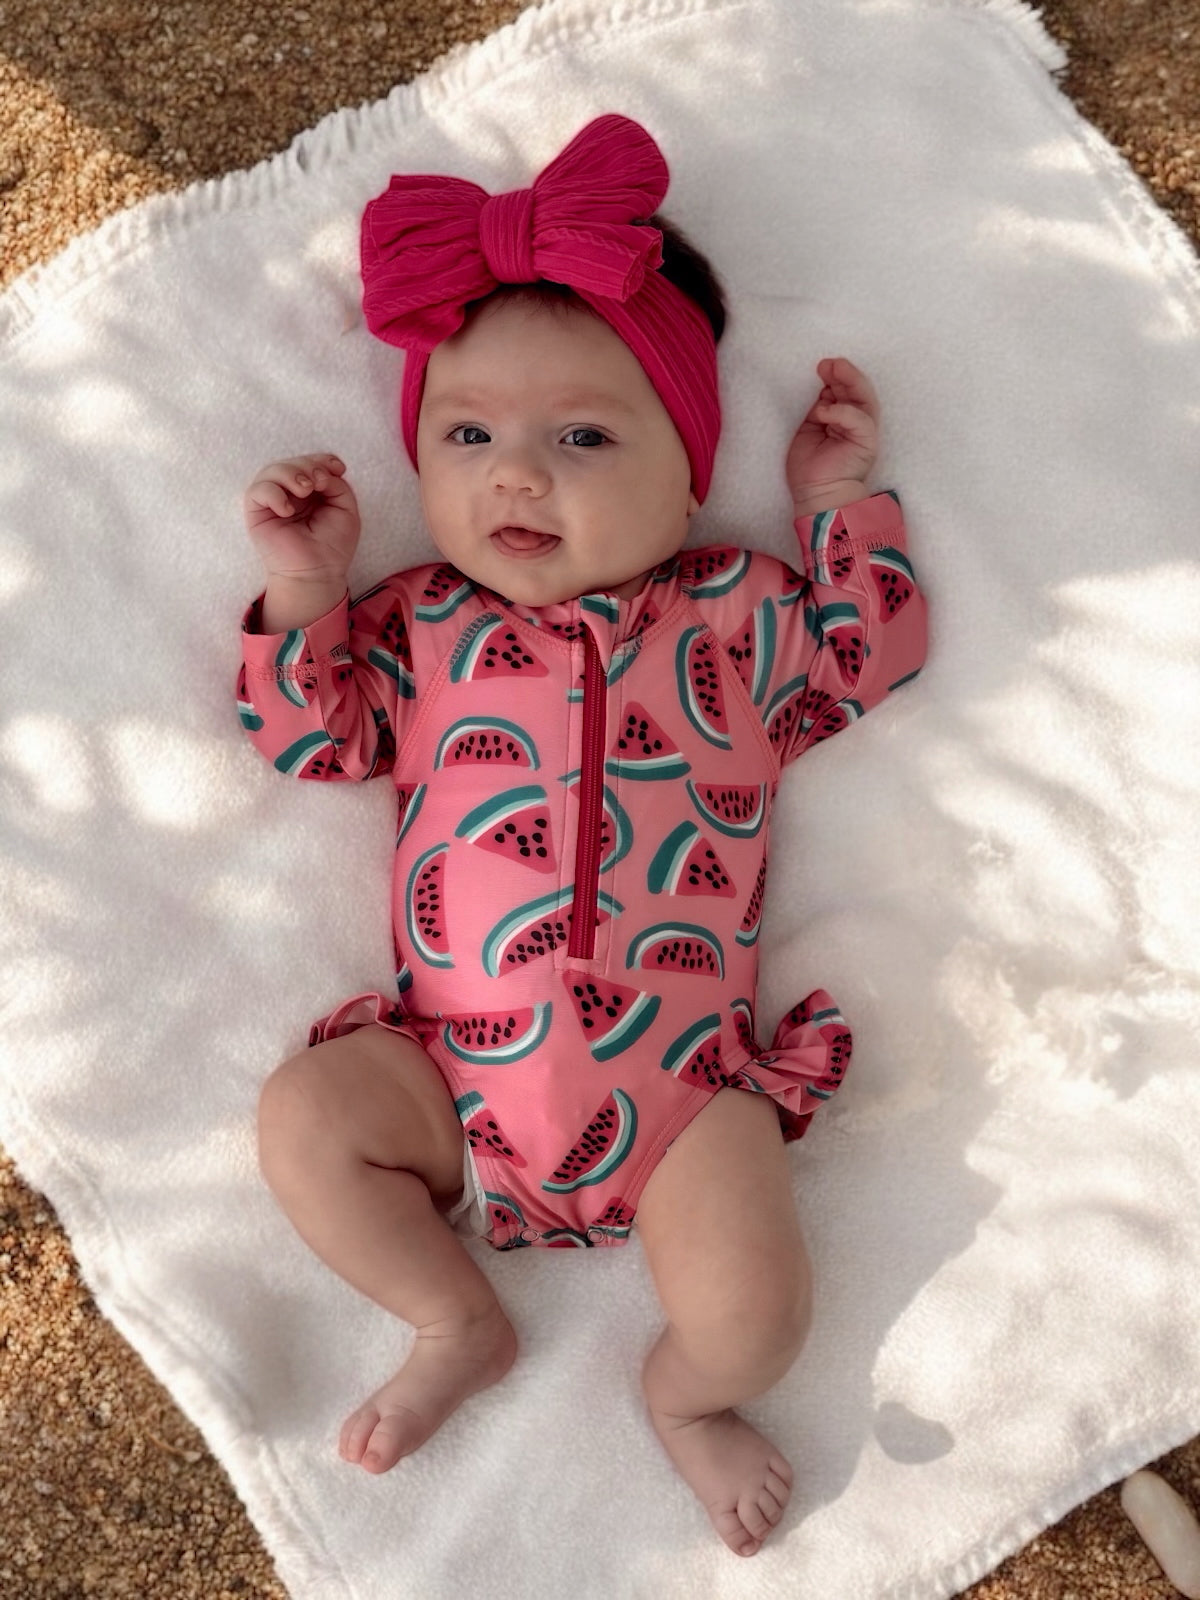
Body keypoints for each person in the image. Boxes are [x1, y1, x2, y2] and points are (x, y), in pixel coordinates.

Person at [238, 113, 927, 1560]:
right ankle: (453, 1316)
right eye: (467, 435)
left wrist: (834, 503)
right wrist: (308, 587)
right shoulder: (421, 621)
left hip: (680, 1097)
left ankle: (686, 1399)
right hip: (449, 1086)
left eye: (584, 437)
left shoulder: (739, 614)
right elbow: (313, 737)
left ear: (690, 471)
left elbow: (869, 655)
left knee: (757, 1315)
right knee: (304, 1118)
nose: (516, 475)